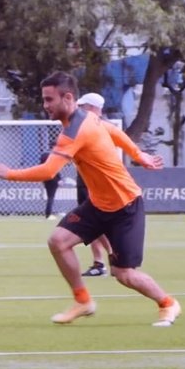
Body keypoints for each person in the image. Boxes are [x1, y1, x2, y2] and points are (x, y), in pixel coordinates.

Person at [0, 71, 180, 327]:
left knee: (123, 274)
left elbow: (48, 171)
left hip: (125, 206)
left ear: (68, 97)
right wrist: (138, 154)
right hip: (98, 205)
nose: (45, 106)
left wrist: (9, 174)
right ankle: (83, 301)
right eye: (44, 100)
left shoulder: (74, 132)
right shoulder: (88, 118)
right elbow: (113, 131)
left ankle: (168, 304)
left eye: (49, 100)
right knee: (58, 241)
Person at [74, 92, 112, 276]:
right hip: (84, 181)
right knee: (91, 223)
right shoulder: (82, 126)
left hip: (95, 184)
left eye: (82, 106)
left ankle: (114, 255)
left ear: (91, 108)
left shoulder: (101, 128)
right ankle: (99, 262)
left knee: (97, 223)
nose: (79, 109)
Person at [40, 151, 61, 220]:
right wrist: (59, 179)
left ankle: (49, 213)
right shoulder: (52, 163)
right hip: (53, 180)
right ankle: (48, 214)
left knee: (50, 197)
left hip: (47, 180)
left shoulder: (42, 165)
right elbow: (56, 171)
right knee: (51, 197)